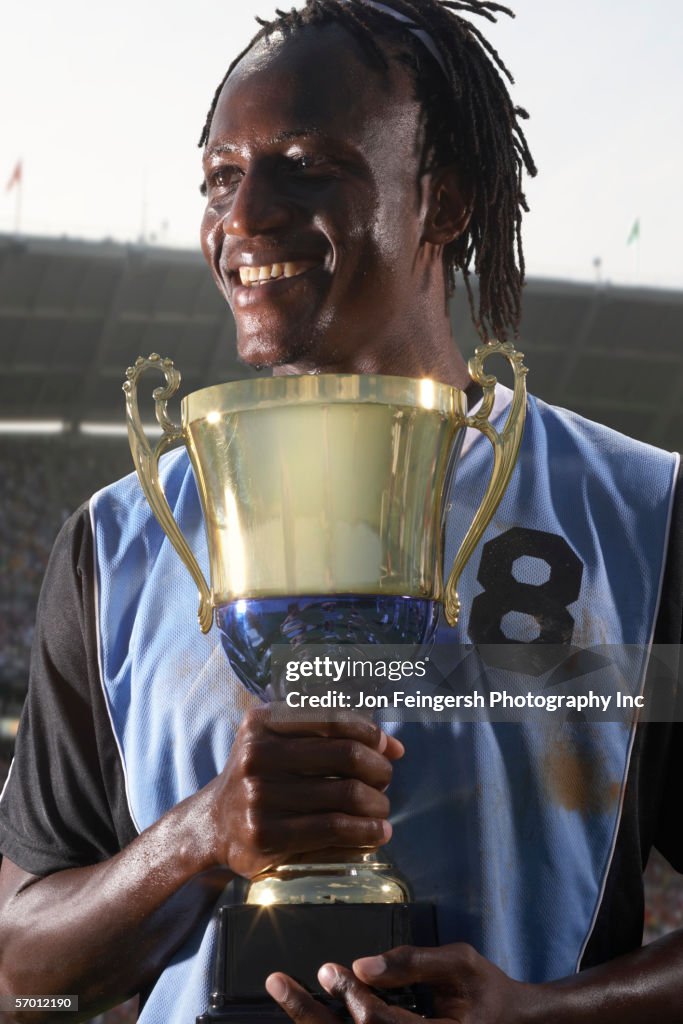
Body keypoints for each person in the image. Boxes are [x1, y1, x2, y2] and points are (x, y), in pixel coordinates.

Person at [0, 1, 681, 1022]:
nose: (243, 217)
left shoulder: (642, 520)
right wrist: (194, 839)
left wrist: (546, 1012)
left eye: (304, 164)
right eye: (220, 177)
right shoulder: (118, 543)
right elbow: (18, 984)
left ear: (441, 199)